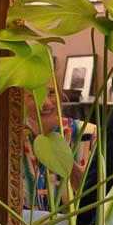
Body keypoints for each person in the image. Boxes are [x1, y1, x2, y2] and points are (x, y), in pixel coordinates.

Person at [22, 84, 95, 212]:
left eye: (51, 93)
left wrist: (62, 158)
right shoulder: (13, 141)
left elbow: (96, 195)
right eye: (33, 96)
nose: (45, 103)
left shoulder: (87, 135)